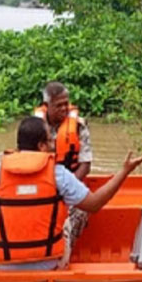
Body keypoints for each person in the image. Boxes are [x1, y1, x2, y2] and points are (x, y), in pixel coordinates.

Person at [0, 116, 142, 270]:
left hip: (4, 265)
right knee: (67, 218)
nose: (54, 143)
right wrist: (125, 171)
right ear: (41, 146)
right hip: (50, 264)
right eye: (51, 139)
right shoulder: (58, 173)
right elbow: (94, 204)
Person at [34, 81, 93, 267]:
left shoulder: (79, 126)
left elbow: (85, 165)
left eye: (66, 104)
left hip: (67, 185)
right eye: (58, 105)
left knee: (83, 210)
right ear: (46, 106)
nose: (64, 108)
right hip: (39, 184)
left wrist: (66, 186)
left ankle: (65, 250)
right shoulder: (34, 127)